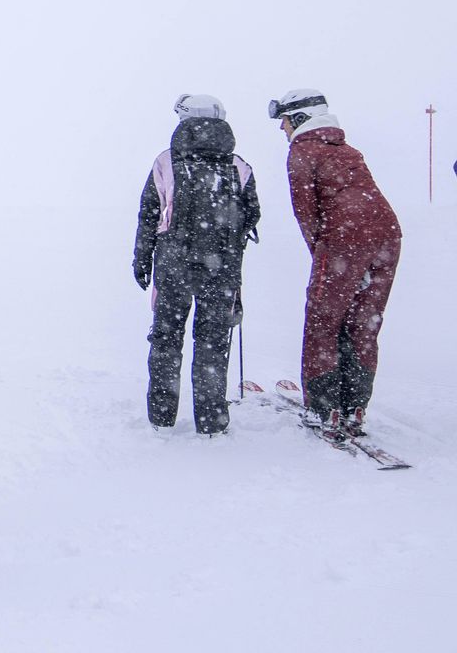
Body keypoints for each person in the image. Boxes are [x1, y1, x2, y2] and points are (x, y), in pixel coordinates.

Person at [268, 90, 403, 436]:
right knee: (364, 321)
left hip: (344, 238)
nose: (282, 129)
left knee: (323, 322)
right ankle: (354, 405)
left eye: (283, 121)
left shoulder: (301, 150)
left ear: (299, 119)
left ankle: (323, 410)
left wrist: (326, 259)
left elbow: (306, 214)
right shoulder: (348, 149)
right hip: (387, 236)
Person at [131, 95, 260, 435]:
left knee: (166, 339)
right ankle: (212, 421)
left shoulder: (165, 162)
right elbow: (252, 214)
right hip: (222, 268)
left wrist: (142, 259)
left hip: (173, 265)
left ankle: (161, 417)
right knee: (213, 342)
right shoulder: (238, 165)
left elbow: (149, 213)